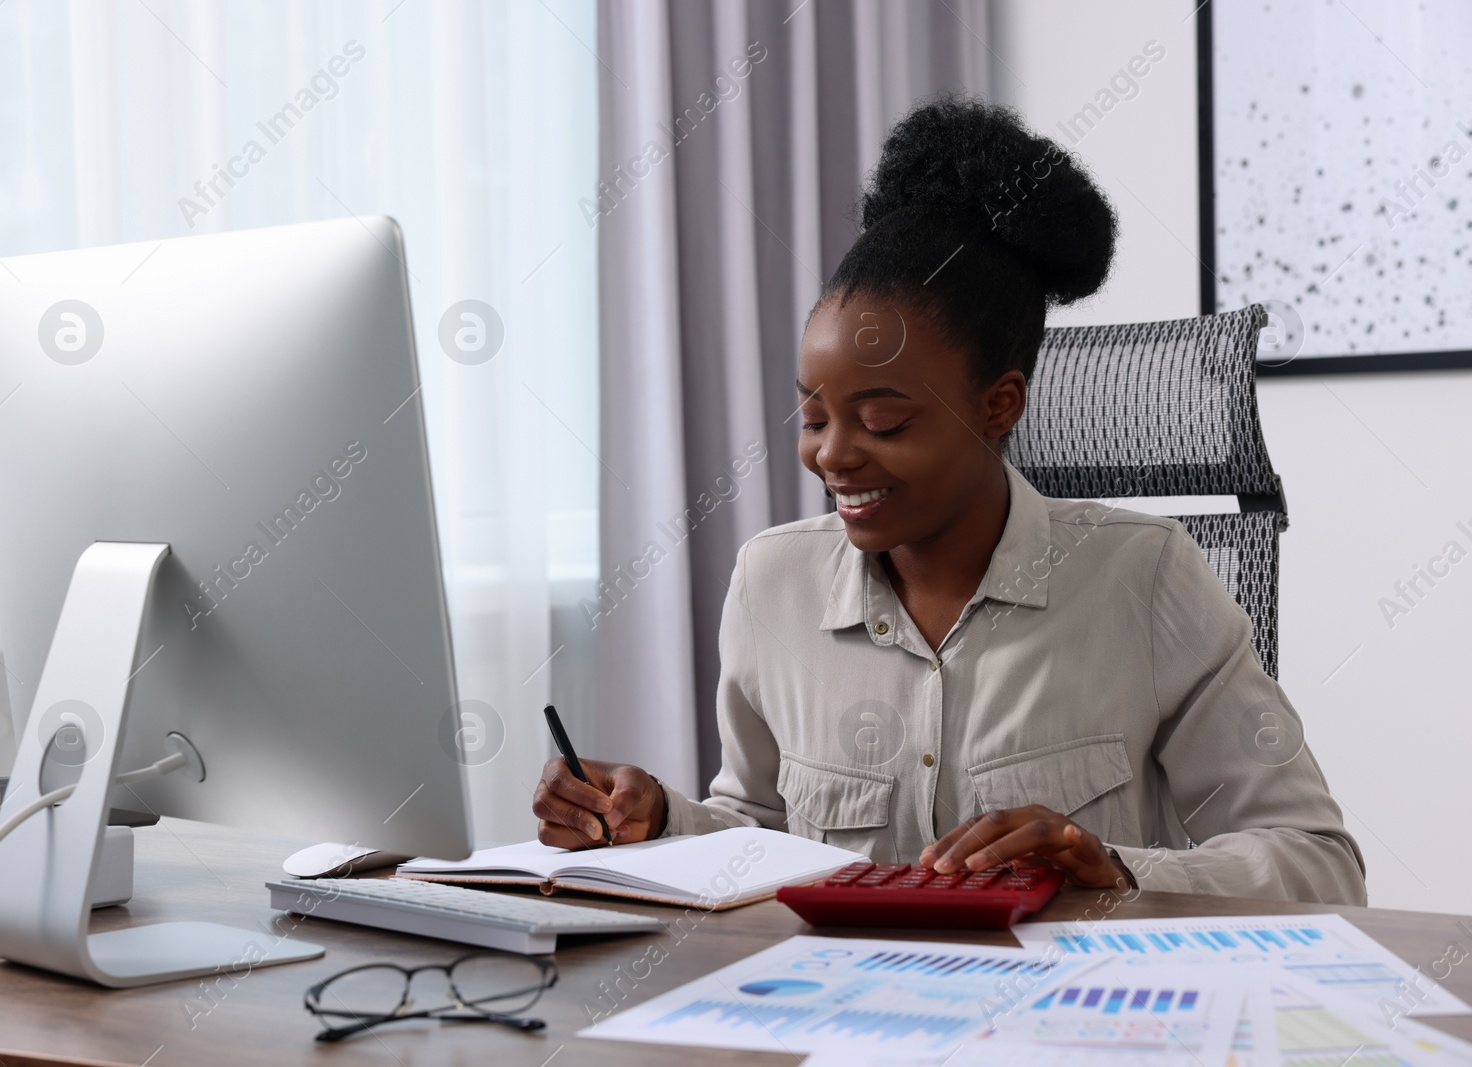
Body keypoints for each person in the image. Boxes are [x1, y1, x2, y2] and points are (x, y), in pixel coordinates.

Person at [532, 97, 1366, 904]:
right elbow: (760, 830)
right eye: (814, 415)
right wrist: (659, 820)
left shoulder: (1145, 581)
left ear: (999, 405)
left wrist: (1111, 867)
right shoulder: (771, 583)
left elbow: (1319, 865)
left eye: (884, 420)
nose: (832, 455)